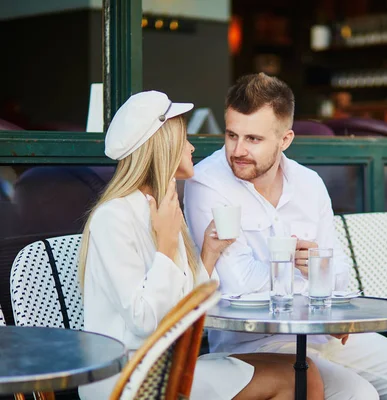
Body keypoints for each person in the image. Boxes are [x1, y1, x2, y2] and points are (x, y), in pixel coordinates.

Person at [184, 73, 387, 400]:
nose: (238, 150)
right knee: (359, 395)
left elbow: (338, 275)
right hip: (258, 342)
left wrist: (315, 271)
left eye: (253, 139)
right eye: (231, 135)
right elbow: (237, 288)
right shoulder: (207, 184)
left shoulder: (309, 184)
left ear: (285, 140)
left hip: (326, 332)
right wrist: (296, 267)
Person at [78, 90, 324, 400]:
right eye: (184, 140)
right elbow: (144, 322)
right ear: (163, 147)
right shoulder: (113, 217)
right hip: (129, 377)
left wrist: (208, 255)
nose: (192, 147)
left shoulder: (164, 208)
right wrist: (166, 247)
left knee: (305, 369)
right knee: (299, 377)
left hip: (170, 363)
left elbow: (184, 308)